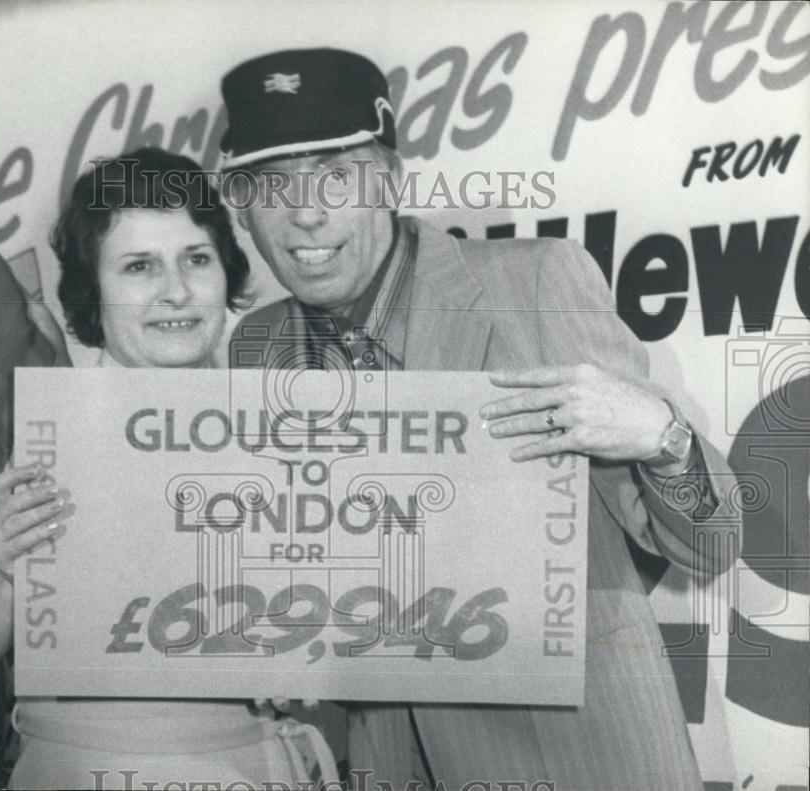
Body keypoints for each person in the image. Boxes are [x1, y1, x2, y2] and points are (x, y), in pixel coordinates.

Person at [219, 48, 740, 790]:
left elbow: (713, 547)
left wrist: (663, 438)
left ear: (390, 181)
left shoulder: (534, 285)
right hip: (391, 760)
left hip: (582, 757)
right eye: (272, 185)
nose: (306, 213)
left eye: (338, 176)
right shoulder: (257, 346)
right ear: (240, 205)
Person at [0, 147, 338, 789]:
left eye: (196, 259)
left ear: (226, 272)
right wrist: (12, 573)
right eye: (138, 267)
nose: (176, 291)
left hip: (256, 768)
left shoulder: (289, 430)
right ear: (92, 293)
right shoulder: (33, 437)